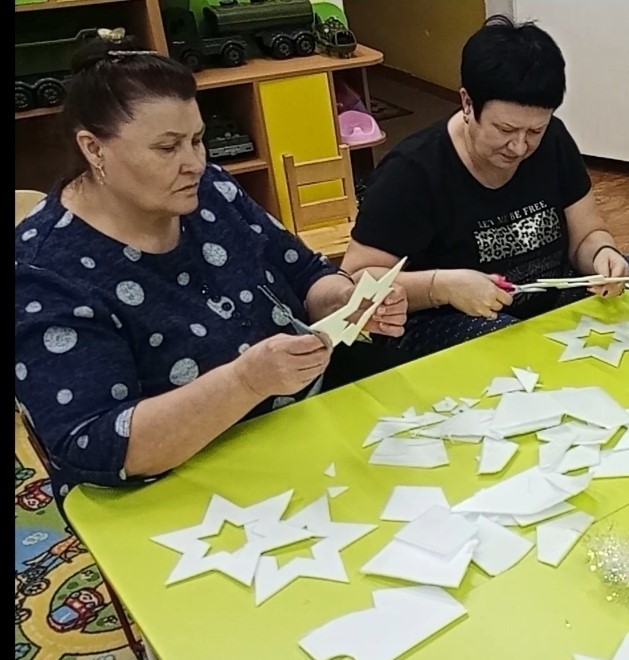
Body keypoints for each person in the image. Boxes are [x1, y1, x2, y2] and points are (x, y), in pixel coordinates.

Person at [14, 36, 408, 502]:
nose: (195, 164)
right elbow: (93, 445)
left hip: (297, 431)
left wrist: (347, 301)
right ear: (94, 149)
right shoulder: (44, 270)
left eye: (198, 140)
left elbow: (304, 275)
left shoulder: (212, 192)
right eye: (167, 148)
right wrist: (245, 382)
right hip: (168, 492)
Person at [340, 15, 629, 359]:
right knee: (507, 342)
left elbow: (587, 235)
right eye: (505, 130)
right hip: (448, 316)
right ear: (467, 103)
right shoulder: (412, 172)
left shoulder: (554, 141)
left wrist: (602, 256)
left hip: (542, 300)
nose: (519, 147)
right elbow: (356, 279)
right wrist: (443, 287)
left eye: (534, 131)